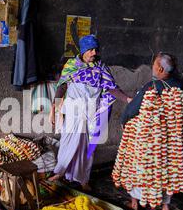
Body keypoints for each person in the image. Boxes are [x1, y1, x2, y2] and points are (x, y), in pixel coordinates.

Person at [48, 35, 132, 192]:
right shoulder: (72, 65)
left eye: (96, 49)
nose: (94, 52)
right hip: (73, 112)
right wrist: (54, 109)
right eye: (91, 49)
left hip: (92, 113)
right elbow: (61, 87)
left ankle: (83, 179)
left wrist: (127, 99)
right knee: (68, 143)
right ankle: (59, 172)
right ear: (83, 50)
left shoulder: (101, 68)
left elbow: (112, 88)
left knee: (88, 148)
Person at [119, 52, 183, 210]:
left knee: (138, 168)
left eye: (154, 65)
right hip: (170, 142)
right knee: (165, 174)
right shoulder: (179, 86)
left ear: (161, 68)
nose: (152, 68)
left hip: (148, 141)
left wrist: (123, 120)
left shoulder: (152, 87)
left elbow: (132, 109)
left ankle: (135, 204)